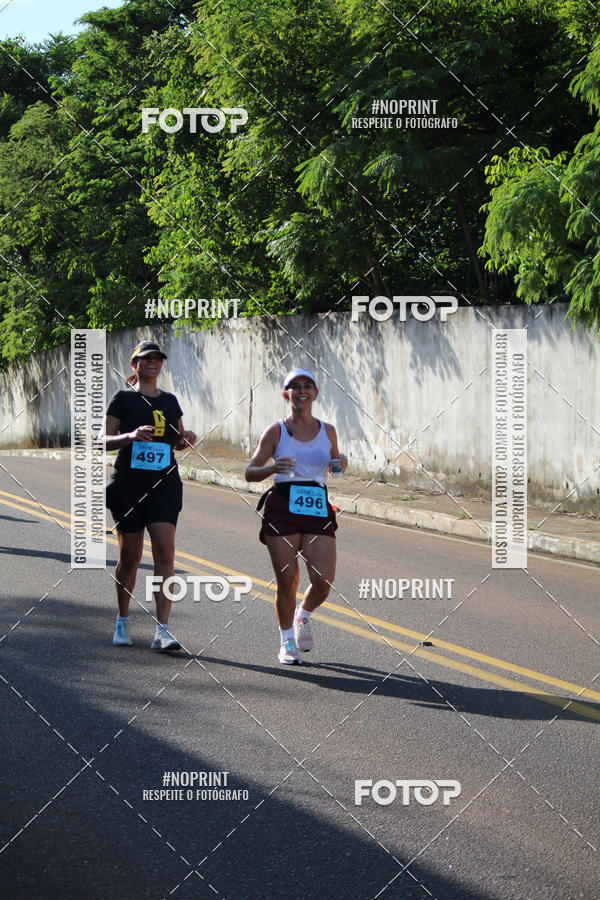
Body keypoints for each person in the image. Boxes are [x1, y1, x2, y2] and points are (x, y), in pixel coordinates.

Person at [245, 368, 348, 664]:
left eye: (307, 386)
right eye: (294, 387)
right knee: (288, 579)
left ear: (315, 393)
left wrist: (340, 463)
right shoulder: (276, 431)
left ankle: (303, 615)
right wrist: (271, 469)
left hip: (317, 503)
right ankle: (286, 641)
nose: (301, 391)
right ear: (285, 394)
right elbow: (250, 472)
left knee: (323, 580)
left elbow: (334, 468)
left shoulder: (327, 430)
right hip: (283, 503)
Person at [100, 340, 196, 652]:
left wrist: (186, 439)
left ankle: (163, 629)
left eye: (157, 359)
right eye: (146, 359)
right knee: (130, 556)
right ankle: (123, 620)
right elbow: (102, 440)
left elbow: (177, 439)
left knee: (166, 554)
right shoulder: (123, 399)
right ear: (135, 365)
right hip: (128, 485)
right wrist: (129, 436)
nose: (153, 363)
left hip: (164, 485)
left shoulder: (169, 400)